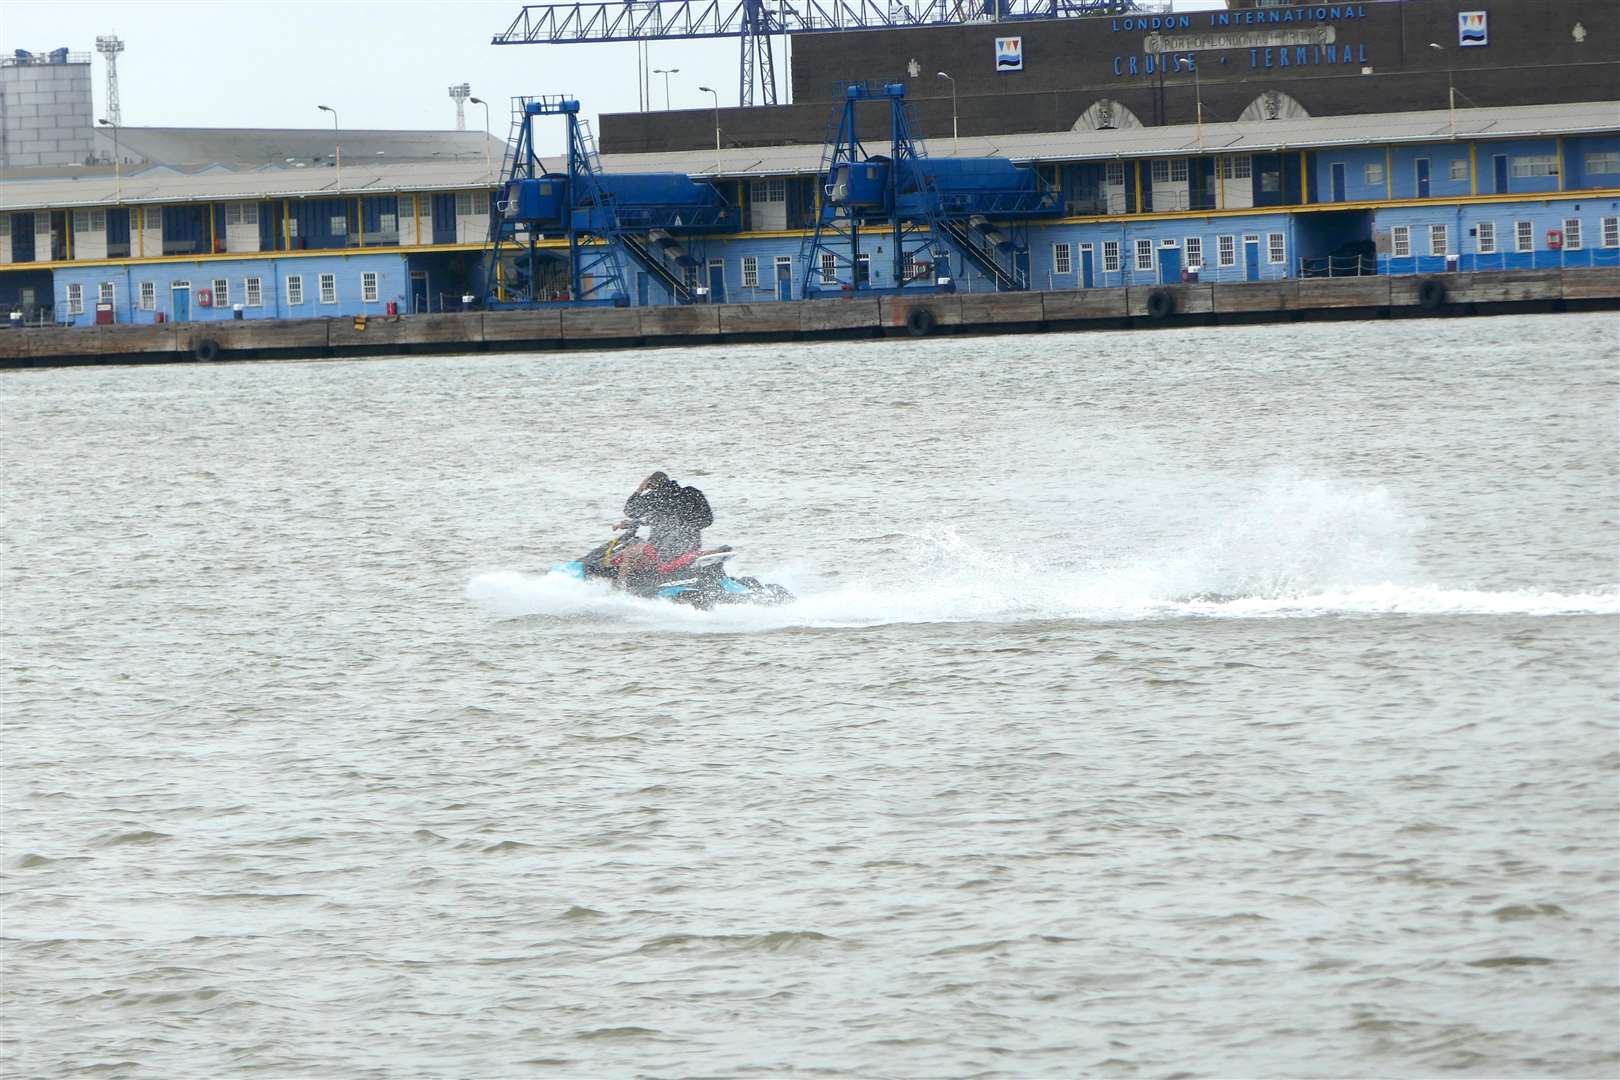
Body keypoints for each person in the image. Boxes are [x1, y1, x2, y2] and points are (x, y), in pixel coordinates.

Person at [612, 471, 713, 588]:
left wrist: (640, 489)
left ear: (651, 485)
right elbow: (708, 520)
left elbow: (629, 510)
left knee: (629, 553)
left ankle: (620, 588)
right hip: (691, 545)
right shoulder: (692, 493)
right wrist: (686, 525)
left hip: (662, 551)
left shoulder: (655, 497)